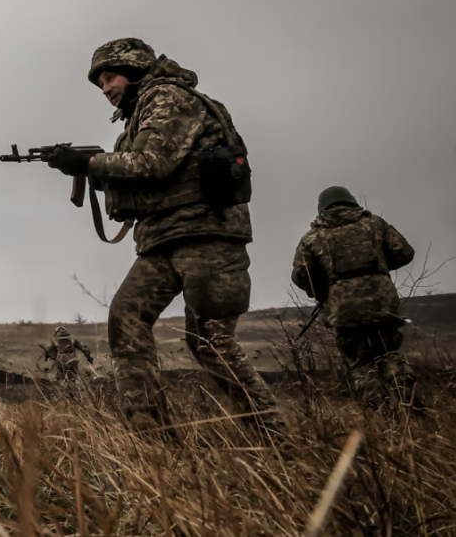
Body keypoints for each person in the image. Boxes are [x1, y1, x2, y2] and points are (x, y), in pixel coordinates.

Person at [43, 37, 283, 439]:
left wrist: (87, 161)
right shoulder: (139, 113)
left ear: (135, 70)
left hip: (206, 233)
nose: (106, 89)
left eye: (111, 77)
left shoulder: (168, 98)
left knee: (209, 339)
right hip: (162, 238)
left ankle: (275, 436)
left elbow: (153, 163)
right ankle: (152, 439)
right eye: (100, 82)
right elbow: (143, 179)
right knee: (126, 317)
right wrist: (87, 169)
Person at [291, 186, 421, 412]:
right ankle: (410, 408)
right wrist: (378, 269)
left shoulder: (312, 238)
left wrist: (322, 290)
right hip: (382, 305)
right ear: (351, 202)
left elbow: (302, 276)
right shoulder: (375, 224)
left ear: (322, 209)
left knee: (361, 365)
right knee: (389, 353)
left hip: (344, 312)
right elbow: (404, 253)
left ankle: (383, 416)